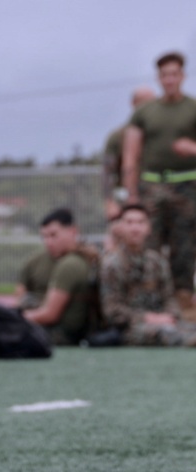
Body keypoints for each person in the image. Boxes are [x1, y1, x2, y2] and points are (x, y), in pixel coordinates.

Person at [122, 51, 196, 310]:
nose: (170, 79)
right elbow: (131, 154)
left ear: (183, 76)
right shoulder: (145, 112)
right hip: (151, 185)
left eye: (174, 74)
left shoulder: (192, 108)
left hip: (187, 187)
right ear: (159, 78)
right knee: (147, 242)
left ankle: (184, 302)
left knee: (185, 247)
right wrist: (131, 195)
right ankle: (148, 301)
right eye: (165, 75)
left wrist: (192, 148)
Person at [100, 203, 196, 346]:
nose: (135, 228)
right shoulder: (111, 265)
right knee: (167, 334)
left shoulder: (157, 262)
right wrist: (148, 318)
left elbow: (169, 298)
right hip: (129, 329)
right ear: (120, 227)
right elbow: (112, 311)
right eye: (129, 222)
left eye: (140, 222)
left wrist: (170, 316)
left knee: (189, 328)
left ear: (149, 228)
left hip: (163, 321)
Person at [15, 208, 94, 345]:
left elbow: (50, 314)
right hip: (41, 324)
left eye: (54, 235)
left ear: (73, 231)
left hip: (56, 333)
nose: (48, 242)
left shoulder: (72, 264)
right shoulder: (35, 261)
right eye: (44, 237)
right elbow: (20, 293)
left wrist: (12, 320)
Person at [102, 86, 156, 221]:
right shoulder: (118, 136)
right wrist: (109, 202)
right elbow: (108, 172)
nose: (147, 107)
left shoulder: (160, 135)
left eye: (152, 102)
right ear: (133, 103)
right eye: (143, 102)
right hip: (126, 198)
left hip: (155, 197)